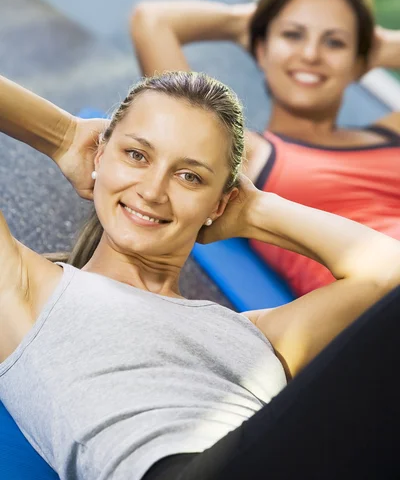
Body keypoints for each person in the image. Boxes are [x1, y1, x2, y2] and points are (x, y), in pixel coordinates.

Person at [0, 71, 399, 480]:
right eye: (137, 155)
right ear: (100, 157)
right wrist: (64, 137)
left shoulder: (264, 335)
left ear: (220, 202)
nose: (153, 191)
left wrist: (253, 211)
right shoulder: (25, 289)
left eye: (190, 176)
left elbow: (387, 276)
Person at [131, 0, 400, 296]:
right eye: (292, 35)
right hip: (381, 303)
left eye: (335, 43)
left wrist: (378, 48)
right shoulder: (242, 151)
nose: (311, 54)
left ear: (360, 63)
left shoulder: (392, 134)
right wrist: (243, 24)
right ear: (260, 48)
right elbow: (152, 21)